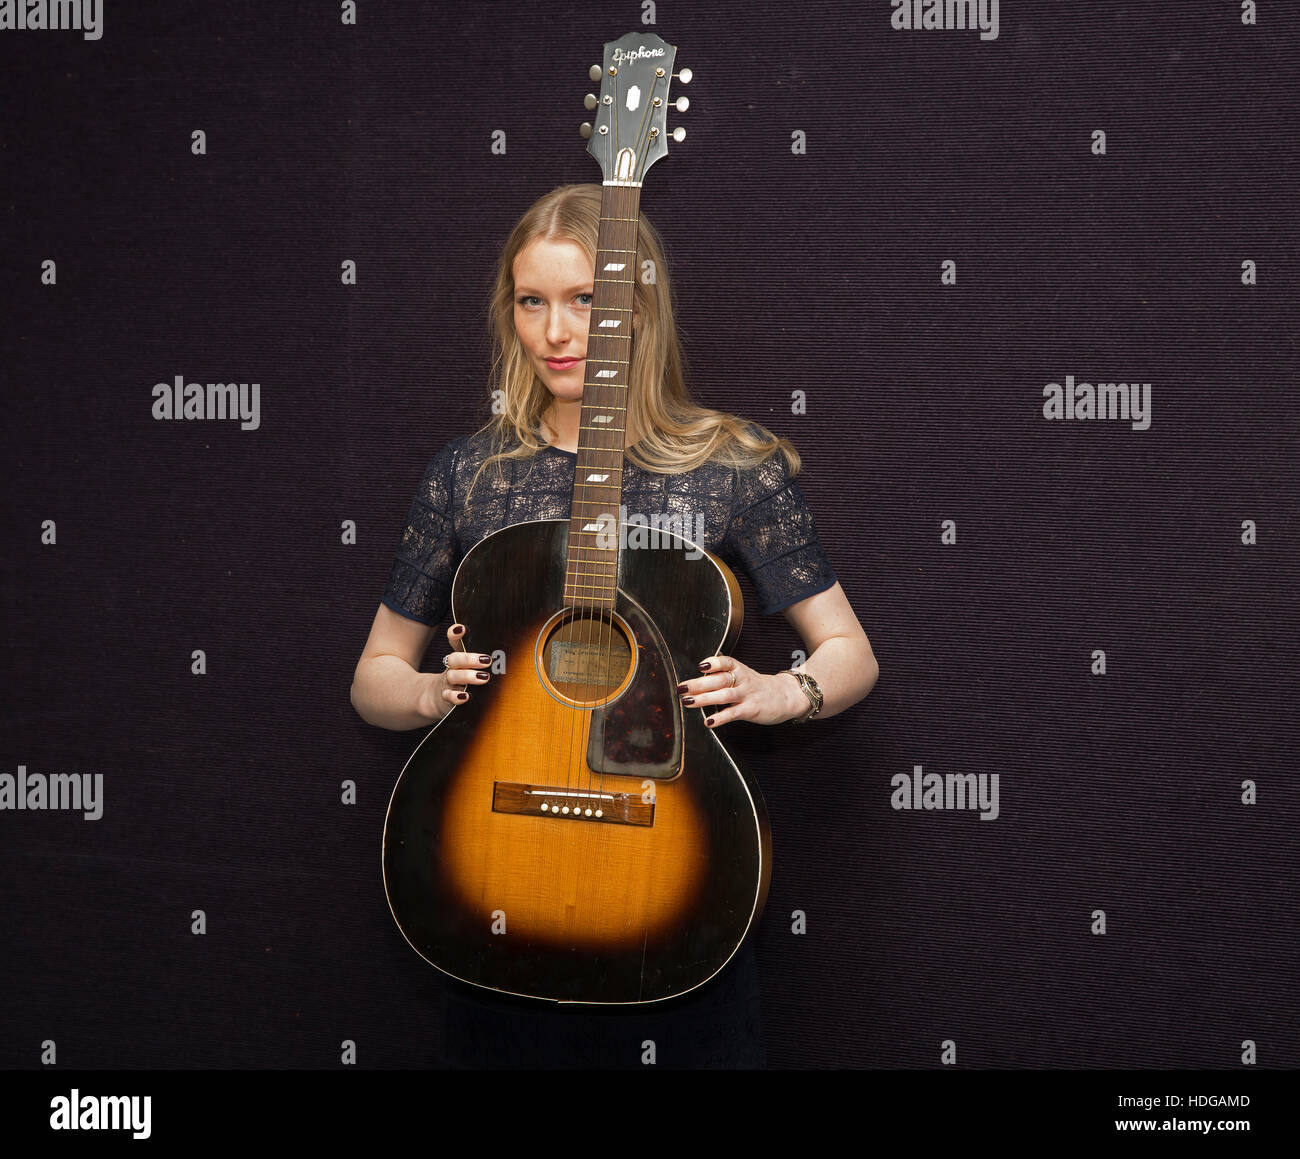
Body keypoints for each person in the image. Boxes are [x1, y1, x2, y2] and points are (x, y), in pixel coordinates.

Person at [350, 183, 879, 1068]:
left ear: (639, 305)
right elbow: (372, 677)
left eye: (586, 299)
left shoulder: (729, 467)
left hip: (668, 890)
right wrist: (430, 692)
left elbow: (851, 652)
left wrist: (784, 691)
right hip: (498, 874)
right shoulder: (471, 475)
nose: (557, 332)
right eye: (532, 301)